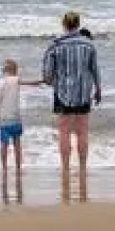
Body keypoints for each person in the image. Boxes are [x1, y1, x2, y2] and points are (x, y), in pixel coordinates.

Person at [41, 11, 101, 178]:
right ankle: (82, 168)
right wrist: (98, 89)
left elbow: (47, 76)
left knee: (64, 131)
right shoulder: (89, 45)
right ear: (78, 24)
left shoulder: (55, 45)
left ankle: (66, 169)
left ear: (64, 25)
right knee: (82, 130)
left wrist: (50, 81)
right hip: (84, 92)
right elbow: (95, 69)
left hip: (62, 93)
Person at [0, 58, 40, 177]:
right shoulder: (16, 79)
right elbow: (31, 82)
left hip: (3, 120)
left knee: (4, 145)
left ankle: (4, 168)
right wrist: (43, 80)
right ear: (15, 70)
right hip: (15, 119)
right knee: (17, 144)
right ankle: (18, 167)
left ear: (4, 70)